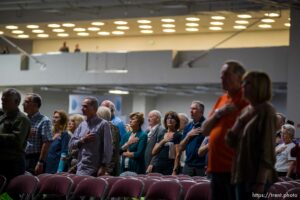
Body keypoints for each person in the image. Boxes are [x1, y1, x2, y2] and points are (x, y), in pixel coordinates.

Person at [226, 71, 277, 199]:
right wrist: (240, 120)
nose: (243, 86)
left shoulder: (267, 110)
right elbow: (230, 141)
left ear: (259, 86)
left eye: (248, 83)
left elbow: (267, 150)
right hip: (241, 175)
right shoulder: (246, 110)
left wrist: (260, 182)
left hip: (256, 179)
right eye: (243, 82)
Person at [201, 60, 248, 200]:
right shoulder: (222, 99)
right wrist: (218, 113)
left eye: (226, 75)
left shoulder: (247, 98)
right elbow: (205, 130)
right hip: (216, 169)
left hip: (236, 170)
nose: (222, 78)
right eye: (221, 75)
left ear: (240, 77)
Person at [69, 97, 113, 176]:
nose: (82, 109)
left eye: (85, 106)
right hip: (80, 168)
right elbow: (71, 144)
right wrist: (82, 140)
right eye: (82, 106)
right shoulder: (82, 125)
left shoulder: (103, 124)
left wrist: (103, 167)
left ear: (94, 108)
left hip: (95, 170)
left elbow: (108, 149)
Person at [0, 88, 31, 182]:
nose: (3, 102)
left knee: (9, 194)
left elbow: (16, 140)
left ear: (16, 101)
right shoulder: (3, 116)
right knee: (1, 192)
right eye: (2, 100)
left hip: (12, 164)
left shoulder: (21, 119)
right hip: (2, 162)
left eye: (6, 100)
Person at [23, 93, 52, 175]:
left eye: (26, 102)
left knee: (32, 183)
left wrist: (40, 162)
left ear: (35, 105)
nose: (23, 104)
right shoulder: (24, 119)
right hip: (22, 156)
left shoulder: (44, 120)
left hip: (34, 158)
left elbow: (47, 142)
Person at [179, 101, 206, 176]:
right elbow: (181, 148)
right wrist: (188, 136)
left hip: (202, 166)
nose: (191, 111)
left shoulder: (207, 125)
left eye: (194, 109)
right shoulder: (188, 126)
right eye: (191, 108)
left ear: (201, 112)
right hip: (188, 165)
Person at [97, 106, 120, 176]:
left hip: (107, 170)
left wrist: (107, 170)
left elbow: (112, 149)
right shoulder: (101, 127)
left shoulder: (111, 128)